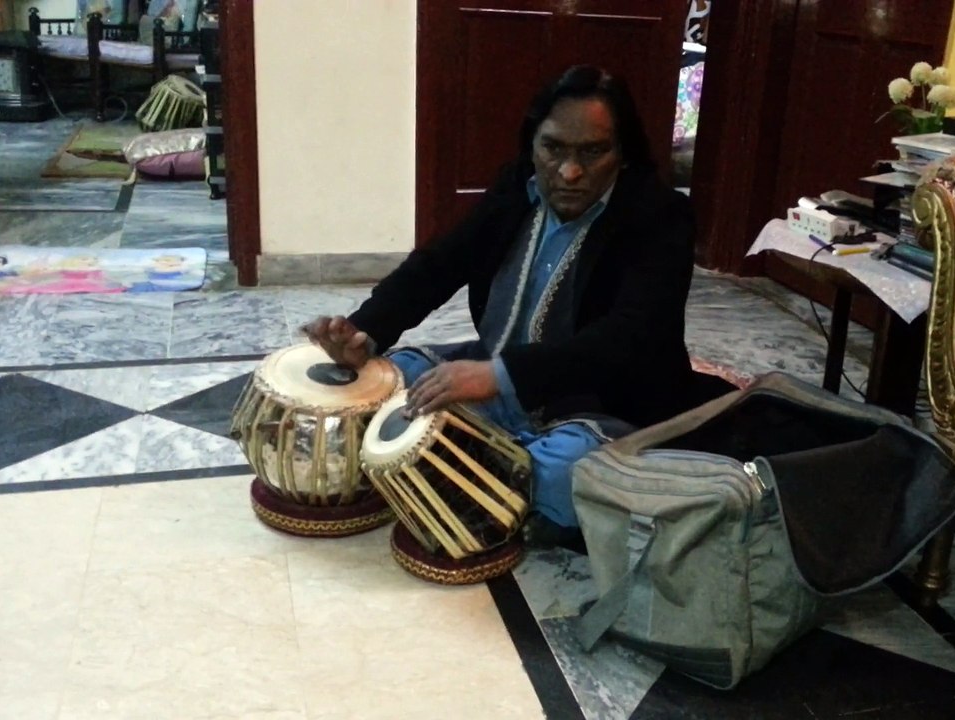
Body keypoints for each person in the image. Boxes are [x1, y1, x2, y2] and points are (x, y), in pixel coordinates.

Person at [306, 65, 733, 550]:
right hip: (498, 374)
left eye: (593, 153)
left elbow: (628, 338)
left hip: (602, 399)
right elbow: (442, 262)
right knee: (383, 380)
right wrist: (366, 331)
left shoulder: (659, 216)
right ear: (533, 143)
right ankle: (497, 473)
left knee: (565, 471)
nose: (570, 172)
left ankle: (499, 472)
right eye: (553, 149)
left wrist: (497, 377)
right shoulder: (518, 187)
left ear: (623, 154)